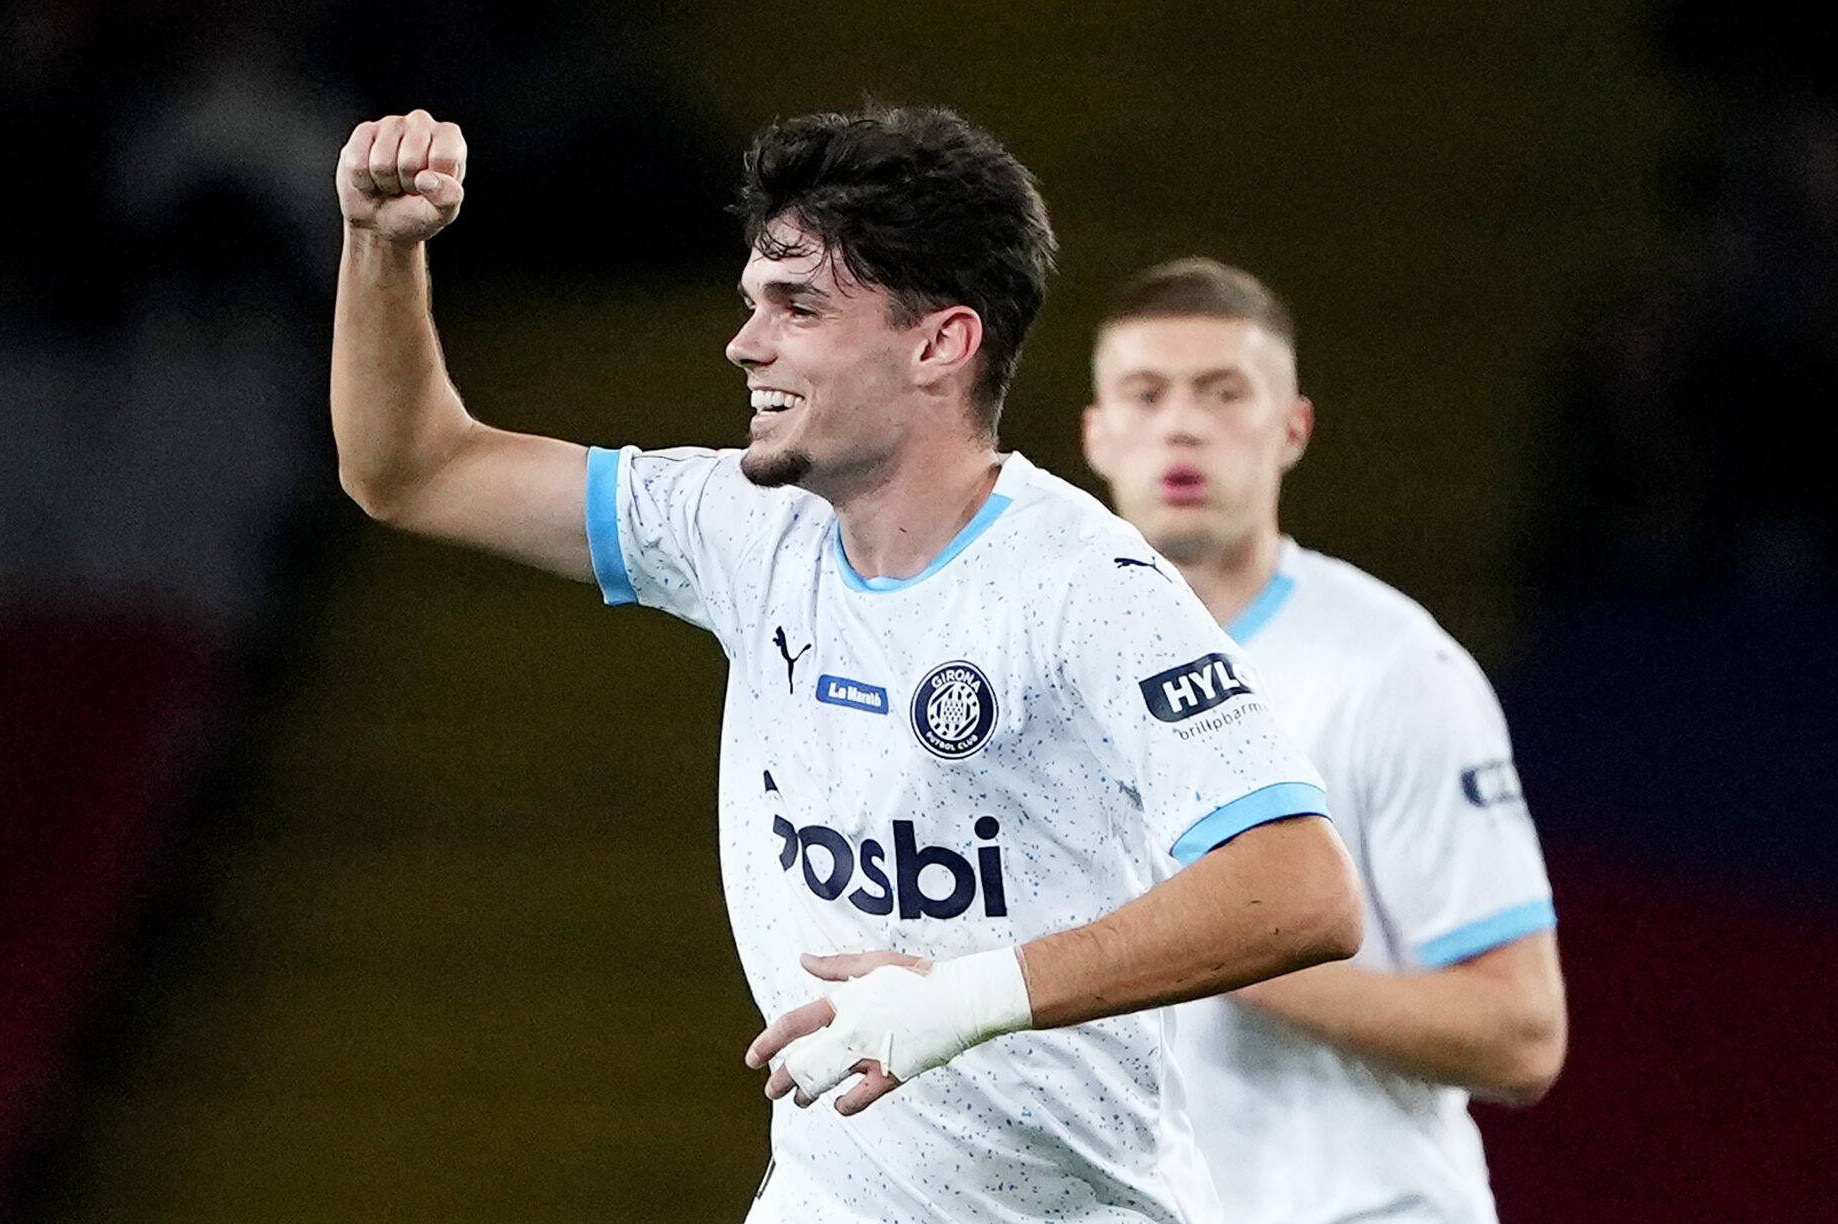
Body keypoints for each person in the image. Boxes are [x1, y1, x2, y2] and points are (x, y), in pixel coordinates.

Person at [330, 108, 1363, 1223]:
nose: (745, 342)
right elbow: (413, 470)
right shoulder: (741, 526)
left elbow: (1303, 889)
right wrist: (382, 247)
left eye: (798, 306)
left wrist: (965, 999)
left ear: (939, 344)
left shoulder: (1084, 588)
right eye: (751, 303)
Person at [1082, 257, 1568, 1224]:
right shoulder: (1053, 671)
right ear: (1098, 433)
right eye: (1146, 394)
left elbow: (1522, 1034)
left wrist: (1222, 947)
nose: (1181, 425)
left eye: (1223, 394)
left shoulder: (1392, 672)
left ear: (1292, 427)